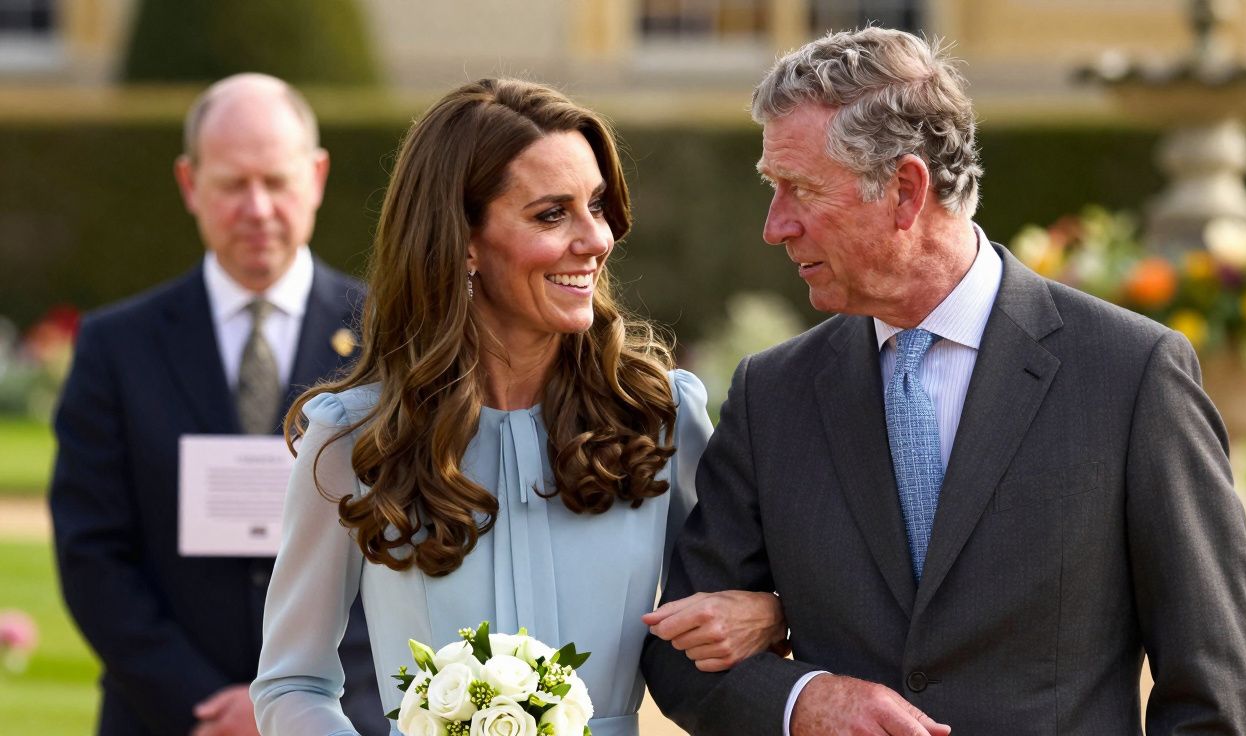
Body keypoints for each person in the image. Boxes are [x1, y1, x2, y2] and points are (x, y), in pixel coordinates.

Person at [641, 27, 1246, 735]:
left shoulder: (1132, 375)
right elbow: (678, 652)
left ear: (906, 190)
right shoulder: (770, 394)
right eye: (771, 189)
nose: (774, 226)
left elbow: (1211, 696)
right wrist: (805, 700)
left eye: (800, 190)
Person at [250, 78, 786, 736]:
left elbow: (738, 612)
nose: (596, 238)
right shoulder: (352, 440)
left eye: (596, 205)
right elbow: (292, 681)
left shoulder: (661, 416)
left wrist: (773, 612)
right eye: (551, 214)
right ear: (464, 241)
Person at [49, 73, 386, 736]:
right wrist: (203, 702)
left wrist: (292, 702)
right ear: (188, 184)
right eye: (233, 184)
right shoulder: (116, 347)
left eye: (276, 180)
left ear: (316, 177)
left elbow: (414, 541)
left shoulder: (392, 339)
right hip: (166, 719)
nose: (257, 208)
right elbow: (91, 552)